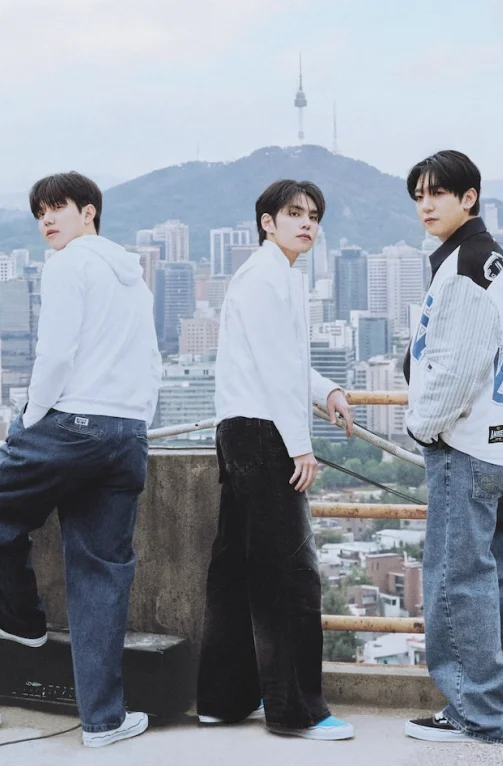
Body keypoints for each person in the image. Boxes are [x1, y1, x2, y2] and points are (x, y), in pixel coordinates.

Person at [0, 171, 161, 749]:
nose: (47, 220)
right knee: (100, 574)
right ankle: (103, 722)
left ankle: (20, 622)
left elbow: (55, 352)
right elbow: (151, 361)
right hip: (127, 431)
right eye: (40, 212)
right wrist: (133, 424)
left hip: (74, 423)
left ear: (89, 212)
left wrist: (30, 419)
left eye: (58, 208)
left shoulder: (67, 264)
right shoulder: (135, 278)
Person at [402, 150, 503, 744]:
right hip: (501, 440)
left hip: (464, 445)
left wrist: (423, 424)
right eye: (419, 195)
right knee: (496, 571)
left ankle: (475, 713)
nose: (426, 205)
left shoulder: (466, 263)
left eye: (438, 193)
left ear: (469, 197)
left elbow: (459, 364)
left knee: (455, 575)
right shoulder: (488, 258)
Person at [196, 179, 355, 741]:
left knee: (237, 568)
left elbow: (287, 362)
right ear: (267, 221)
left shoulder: (273, 275)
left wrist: (327, 391)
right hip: (263, 434)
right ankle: (296, 712)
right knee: (290, 574)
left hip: (241, 430)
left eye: (313, 214)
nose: (306, 223)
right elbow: (273, 367)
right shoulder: (267, 278)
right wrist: (300, 445)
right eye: (294, 213)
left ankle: (223, 699)